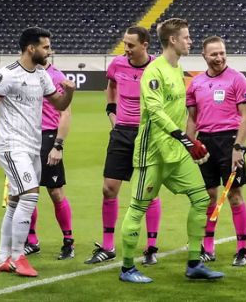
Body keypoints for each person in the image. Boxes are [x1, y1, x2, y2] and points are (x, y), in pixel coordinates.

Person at [118, 18, 222, 284]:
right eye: (186, 37)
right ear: (173, 40)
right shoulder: (155, 71)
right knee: (138, 206)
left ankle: (195, 263)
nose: (190, 41)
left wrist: (185, 140)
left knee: (201, 199)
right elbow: (154, 110)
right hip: (151, 152)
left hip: (175, 151)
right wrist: (185, 139)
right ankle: (127, 268)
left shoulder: (178, 69)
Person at [0, 27, 75, 278]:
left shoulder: (42, 75)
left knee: (14, 203)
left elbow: (59, 104)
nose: (49, 51)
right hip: (12, 146)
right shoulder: (7, 75)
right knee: (30, 196)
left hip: (33, 146)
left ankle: (3, 258)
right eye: (45, 47)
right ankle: (19, 256)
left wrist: (70, 92)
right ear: (31, 48)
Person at [86, 26, 162, 266]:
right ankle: (108, 246)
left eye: (131, 45)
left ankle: (151, 247)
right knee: (109, 189)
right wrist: (112, 113)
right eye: (125, 44)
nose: (126, 49)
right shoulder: (117, 64)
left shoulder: (158, 68)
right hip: (121, 133)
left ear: (145, 45)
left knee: (148, 191)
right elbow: (110, 86)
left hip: (148, 134)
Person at [187, 36, 246, 267]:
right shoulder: (195, 83)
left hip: (229, 141)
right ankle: (208, 247)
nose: (219, 57)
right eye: (214, 54)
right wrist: (190, 145)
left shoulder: (237, 79)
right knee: (209, 197)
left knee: (234, 195)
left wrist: (238, 147)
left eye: (222, 53)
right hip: (204, 143)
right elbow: (192, 119)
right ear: (204, 56)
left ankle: (242, 249)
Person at [24, 59, 75, 261]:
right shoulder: (22, 74)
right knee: (27, 191)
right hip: (25, 137)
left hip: (48, 137)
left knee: (55, 191)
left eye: (49, 47)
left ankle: (68, 241)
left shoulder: (56, 77)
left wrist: (58, 145)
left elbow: (65, 113)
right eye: (44, 47)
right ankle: (31, 241)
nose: (48, 51)